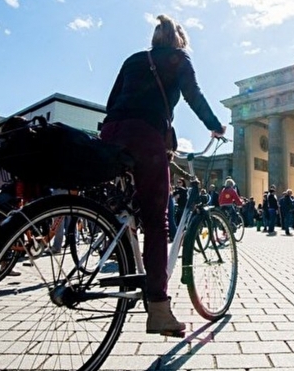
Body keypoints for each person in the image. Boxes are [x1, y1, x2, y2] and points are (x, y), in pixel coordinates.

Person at [99, 14, 226, 336]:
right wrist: (215, 125)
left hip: (112, 131)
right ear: (178, 41)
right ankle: (158, 310)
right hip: (146, 137)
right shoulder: (178, 59)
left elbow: (112, 101)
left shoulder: (134, 59)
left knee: (124, 205)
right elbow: (194, 96)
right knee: (157, 222)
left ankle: (118, 239)